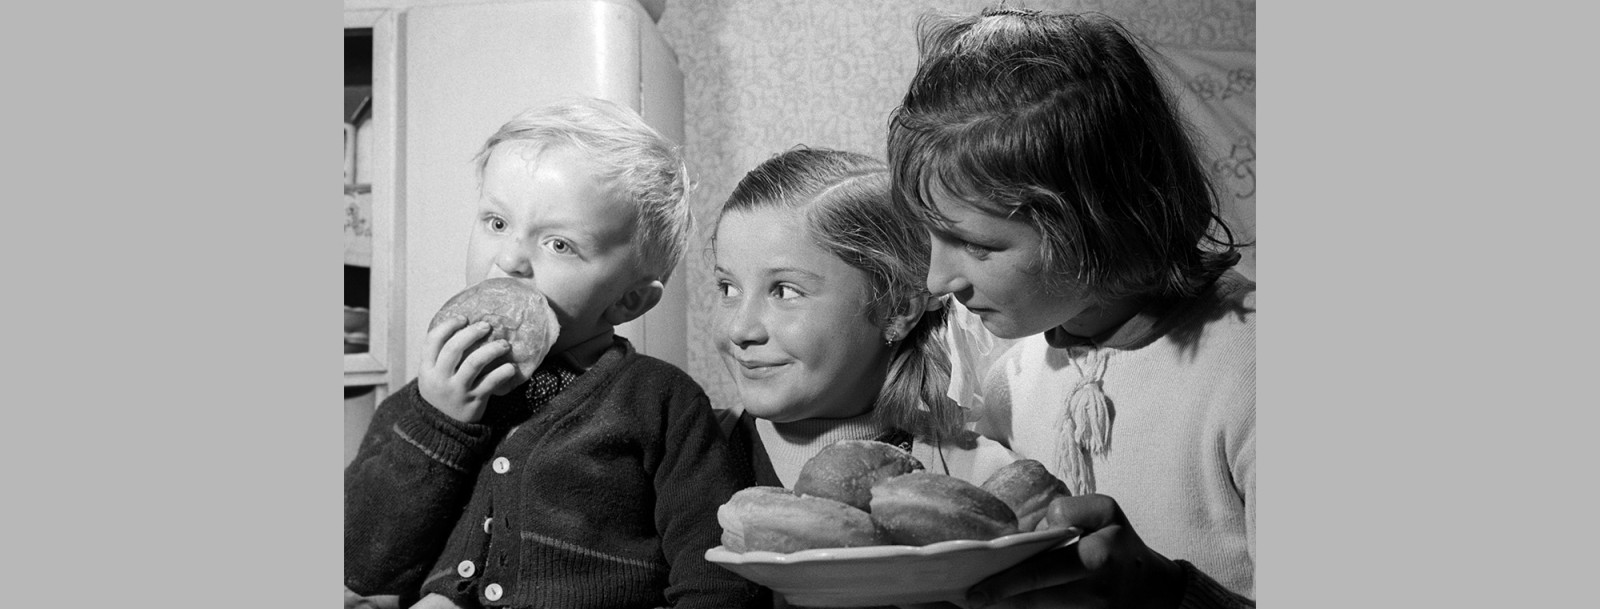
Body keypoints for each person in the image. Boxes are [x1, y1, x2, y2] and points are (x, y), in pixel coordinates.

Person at [886, 7, 1255, 609]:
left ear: (1101, 217)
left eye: (977, 245)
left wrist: (1166, 594)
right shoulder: (1010, 380)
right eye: (929, 234)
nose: (936, 279)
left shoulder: (1250, 372)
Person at [344, 97, 765, 609]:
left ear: (629, 300)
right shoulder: (427, 403)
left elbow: (716, 574)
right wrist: (438, 423)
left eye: (559, 244)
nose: (509, 259)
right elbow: (360, 566)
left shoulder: (661, 402)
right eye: (496, 223)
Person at [710, 146, 1020, 492]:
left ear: (898, 310)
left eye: (785, 291)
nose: (740, 329)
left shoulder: (980, 479)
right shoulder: (682, 455)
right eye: (728, 288)